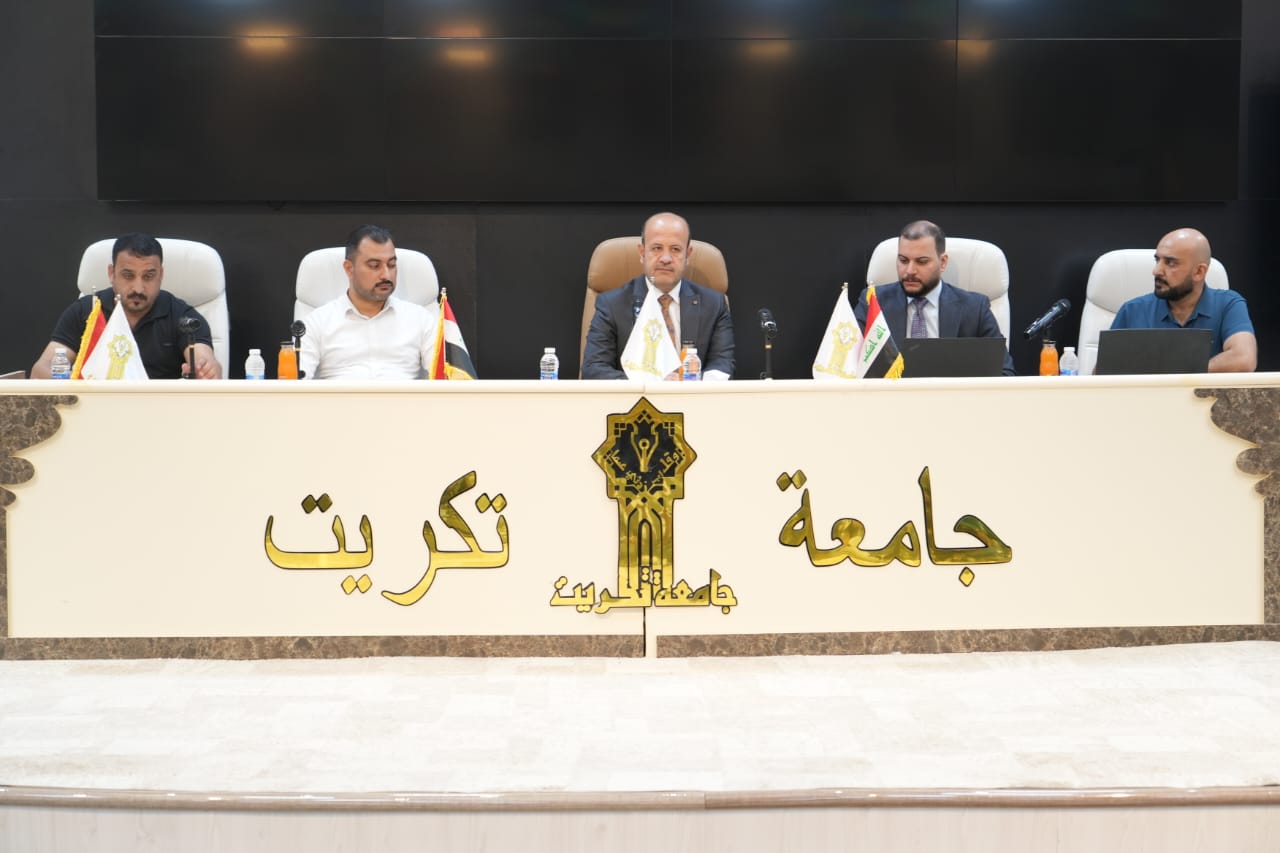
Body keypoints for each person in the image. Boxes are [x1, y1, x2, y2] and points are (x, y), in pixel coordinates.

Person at [31, 233, 220, 379]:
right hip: (96, 410)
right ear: (111, 273)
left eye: (148, 276)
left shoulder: (183, 317)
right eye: (128, 275)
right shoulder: (86, 310)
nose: (138, 288)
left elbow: (207, 363)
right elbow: (41, 370)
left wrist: (205, 371)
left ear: (161, 275)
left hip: (160, 412)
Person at [581, 212, 735, 380]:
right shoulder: (612, 304)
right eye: (657, 248)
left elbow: (723, 365)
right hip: (636, 396)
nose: (666, 258)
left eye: (675, 249)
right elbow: (594, 368)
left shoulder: (714, 305)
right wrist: (651, 382)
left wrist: (687, 382)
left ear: (687, 255)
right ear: (642, 253)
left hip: (692, 395)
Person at [854, 220, 1015, 376]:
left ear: (943, 262)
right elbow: (847, 366)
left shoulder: (974, 309)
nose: (909, 271)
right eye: (903, 260)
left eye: (921, 262)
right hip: (890, 394)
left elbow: (1004, 373)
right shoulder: (873, 302)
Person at [300, 225, 440, 380]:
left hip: (402, 395)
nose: (386, 275)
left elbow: (447, 378)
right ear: (349, 268)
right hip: (341, 395)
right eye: (374, 266)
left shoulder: (420, 319)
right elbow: (294, 384)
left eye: (392, 265)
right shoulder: (317, 322)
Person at [1110, 228, 1256, 373]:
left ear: (1199, 272)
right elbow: (1106, 372)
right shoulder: (1132, 311)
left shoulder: (1228, 305)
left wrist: (1172, 373)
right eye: (1157, 260)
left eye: (1170, 263)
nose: (1156, 271)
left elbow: (1244, 359)